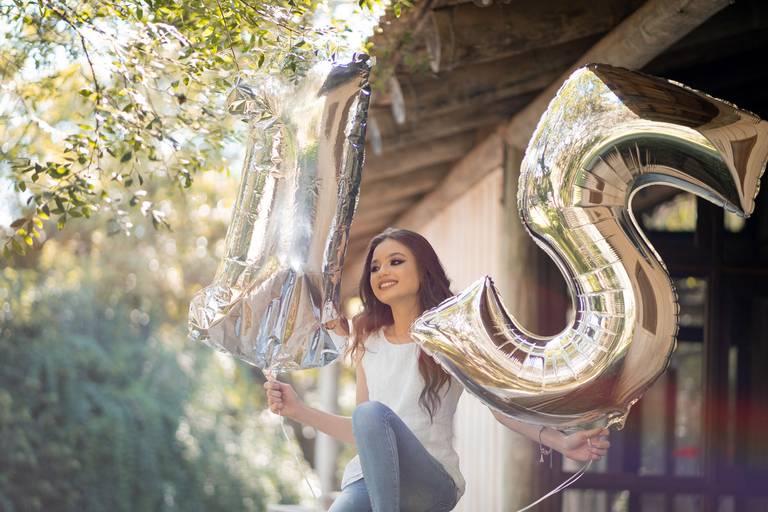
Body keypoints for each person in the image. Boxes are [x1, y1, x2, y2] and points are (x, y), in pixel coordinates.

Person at [264, 228, 610, 511]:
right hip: (368, 481)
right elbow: (365, 434)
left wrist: (560, 442)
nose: (382, 272)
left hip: (429, 484)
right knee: (366, 420)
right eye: (375, 267)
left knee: (370, 413)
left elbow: (500, 409)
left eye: (395, 262)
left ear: (423, 270)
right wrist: (298, 410)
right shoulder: (369, 342)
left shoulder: (450, 337)